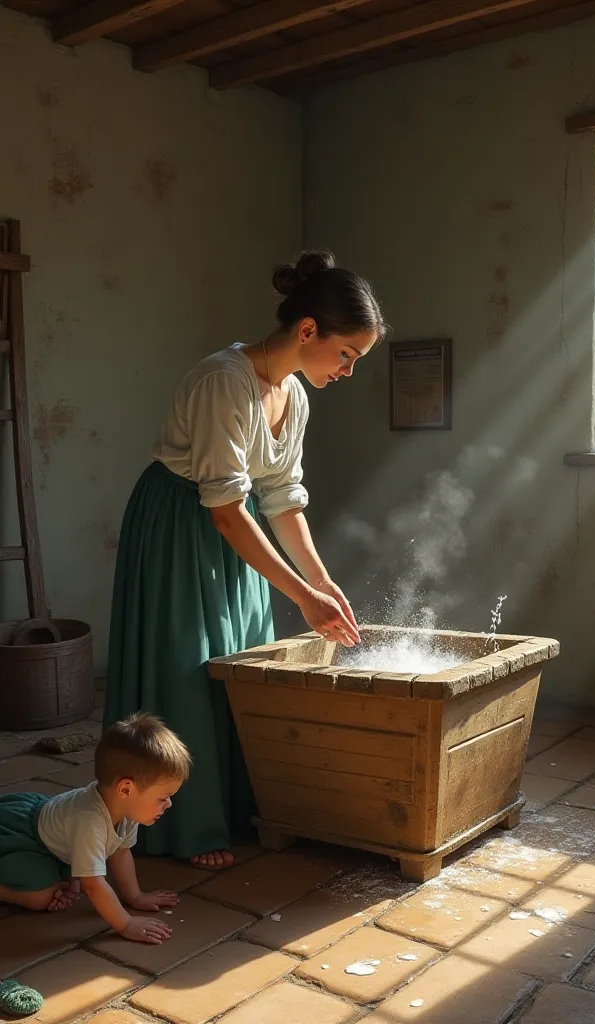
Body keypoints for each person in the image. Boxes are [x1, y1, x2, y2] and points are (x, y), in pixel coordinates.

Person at [104, 250, 386, 868]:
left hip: (236, 531)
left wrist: (320, 580)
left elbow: (282, 499)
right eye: (346, 355)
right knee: (186, 664)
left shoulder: (295, 396)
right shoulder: (223, 380)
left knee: (239, 663)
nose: (347, 371)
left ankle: (233, 806)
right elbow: (226, 508)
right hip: (182, 526)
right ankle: (179, 824)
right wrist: (300, 597)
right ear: (307, 330)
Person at [0, 713, 190, 945]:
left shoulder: (126, 809)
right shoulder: (90, 820)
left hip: (55, 841)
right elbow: (93, 884)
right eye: (163, 797)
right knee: (43, 898)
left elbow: (120, 853)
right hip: (24, 835)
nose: (168, 804)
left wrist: (135, 896)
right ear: (126, 789)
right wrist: (126, 923)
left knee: (72, 884)